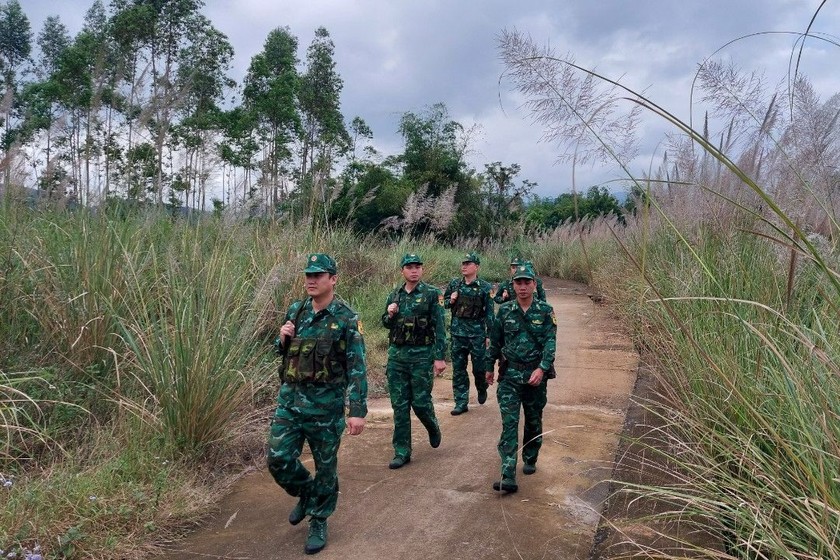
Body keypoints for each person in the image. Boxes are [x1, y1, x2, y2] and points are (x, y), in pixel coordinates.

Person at [267, 253, 368, 555]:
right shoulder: (297, 311)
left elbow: (358, 367)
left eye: (318, 275)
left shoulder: (346, 318)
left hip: (325, 408)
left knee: (326, 468)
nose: (311, 280)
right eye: (308, 275)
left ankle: (319, 519)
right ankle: (308, 493)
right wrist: (282, 339)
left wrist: (357, 411)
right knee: (278, 459)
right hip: (290, 403)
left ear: (333, 279)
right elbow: (284, 353)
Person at [485, 263, 556, 494]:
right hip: (510, 377)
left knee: (533, 420)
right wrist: (489, 368)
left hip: (535, 377)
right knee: (509, 423)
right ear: (513, 285)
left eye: (527, 282)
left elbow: (550, 343)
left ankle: (531, 455)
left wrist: (542, 368)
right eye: (519, 282)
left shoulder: (546, 311)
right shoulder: (504, 311)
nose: (523, 287)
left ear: (534, 285)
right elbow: (495, 342)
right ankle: (507, 474)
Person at [381, 253, 447, 469]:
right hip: (397, 358)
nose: (414, 270)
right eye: (409, 267)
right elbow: (385, 324)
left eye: (418, 266)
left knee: (420, 402)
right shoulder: (395, 295)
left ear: (422, 270)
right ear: (403, 271)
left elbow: (439, 327)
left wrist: (439, 357)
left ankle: (432, 425)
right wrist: (390, 314)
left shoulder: (431, 294)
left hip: (421, 356)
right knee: (399, 406)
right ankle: (402, 451)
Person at [443, 252, 494, 415]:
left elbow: (490, 313)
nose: (464, 266)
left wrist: (489, 335)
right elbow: (443, 304)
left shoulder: (485, 287)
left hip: (477, 334)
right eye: (463, 263)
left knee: (479, 368)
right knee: (458, 369)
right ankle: (461, 401)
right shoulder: (454, 285)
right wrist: (450, 300)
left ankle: (481, 386)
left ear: (476, 266)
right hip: (458, 334)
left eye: (468, 263)